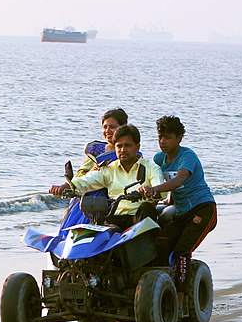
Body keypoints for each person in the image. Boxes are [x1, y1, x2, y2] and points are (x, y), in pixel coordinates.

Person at [137, 115, 217, 295]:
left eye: (168, 137)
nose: (162, 141)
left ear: (179, 138)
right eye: (160, 137)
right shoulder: (158, 158)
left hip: (203, 209)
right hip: (181, 213)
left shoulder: (187, 156)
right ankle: (162, 286)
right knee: (161, 242)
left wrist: (154, 189)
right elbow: (157, 177)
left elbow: (179, 180)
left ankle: (182, 296)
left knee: (182, 250)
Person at [50, 124, 164, 230]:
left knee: (146, 208)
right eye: (119, 146)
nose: (123, 150)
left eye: (127, 145)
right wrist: (64, 187)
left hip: (139, 219)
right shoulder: (109, 169)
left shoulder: (151, 168)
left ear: (137, 147)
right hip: (115, 218)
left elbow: (160, 190)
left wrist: (150, 191)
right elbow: (86, 181)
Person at [57, 108, 129, 237]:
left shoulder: (128, 152)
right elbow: (80, 175)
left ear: (122, 128)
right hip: (89, 199)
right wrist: (92, 172)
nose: (107, 131)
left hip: (113, 200)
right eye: (105, 127)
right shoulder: (96, 151)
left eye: (112, 127)